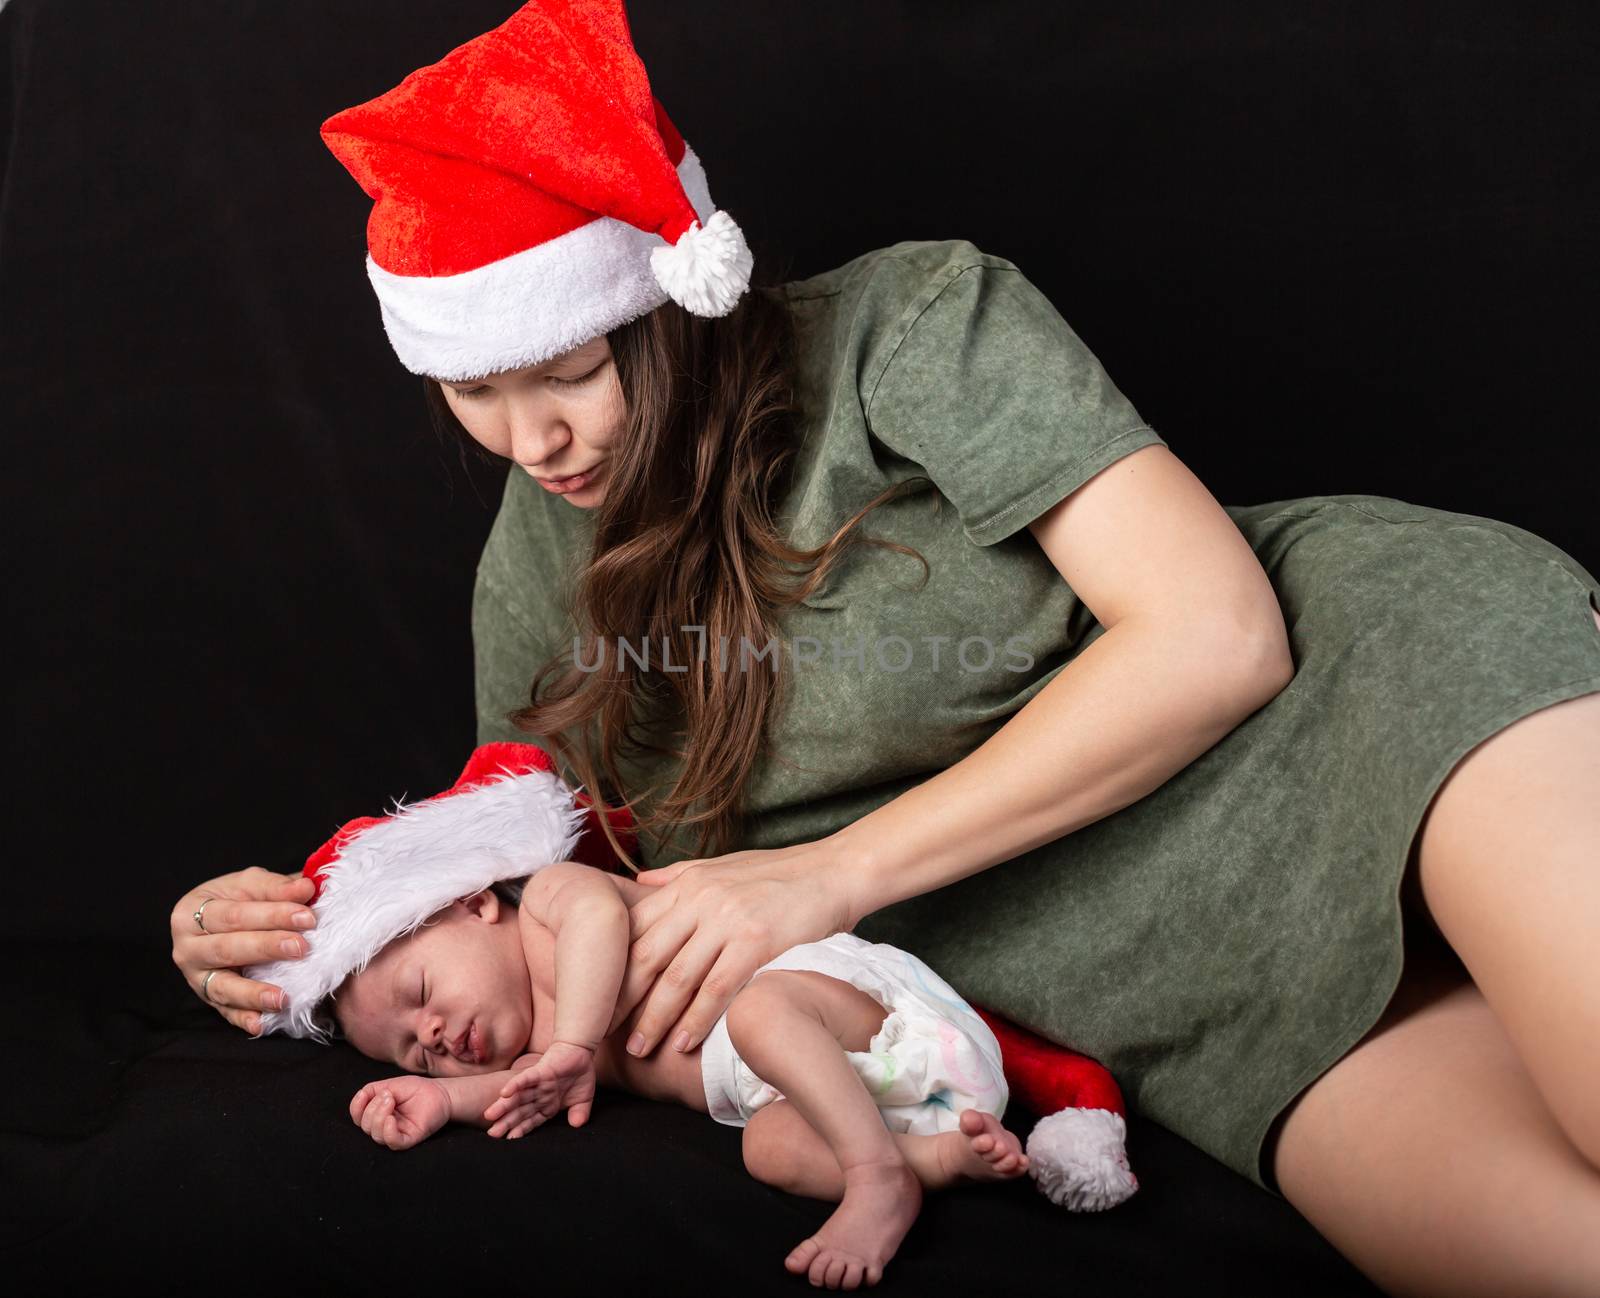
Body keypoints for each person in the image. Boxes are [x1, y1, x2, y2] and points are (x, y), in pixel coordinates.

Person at [171, 3, 1600, 1293]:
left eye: (569, 369)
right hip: (1182, 986)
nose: (528, 438)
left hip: (1375, 694)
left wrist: (823, 873)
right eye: (477, 388)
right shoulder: (533, 573)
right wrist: (287, 932)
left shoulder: (905, 328)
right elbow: (534, 883)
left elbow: (1218, 635)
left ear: (666, 296)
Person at [336, 874, 1025, 1290]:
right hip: (819, 1094)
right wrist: (440, 1098)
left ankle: (876, 1177)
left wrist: (575, 1041)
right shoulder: (536, 1057)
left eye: (421, 990)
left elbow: (599, 918)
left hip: (838, 1011)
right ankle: (937, 1159)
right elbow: (513, 1095)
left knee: (760, 1014)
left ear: (475, 904)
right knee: (768, 1148)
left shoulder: (551, 900)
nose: (428, 1035)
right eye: (414, 1055)